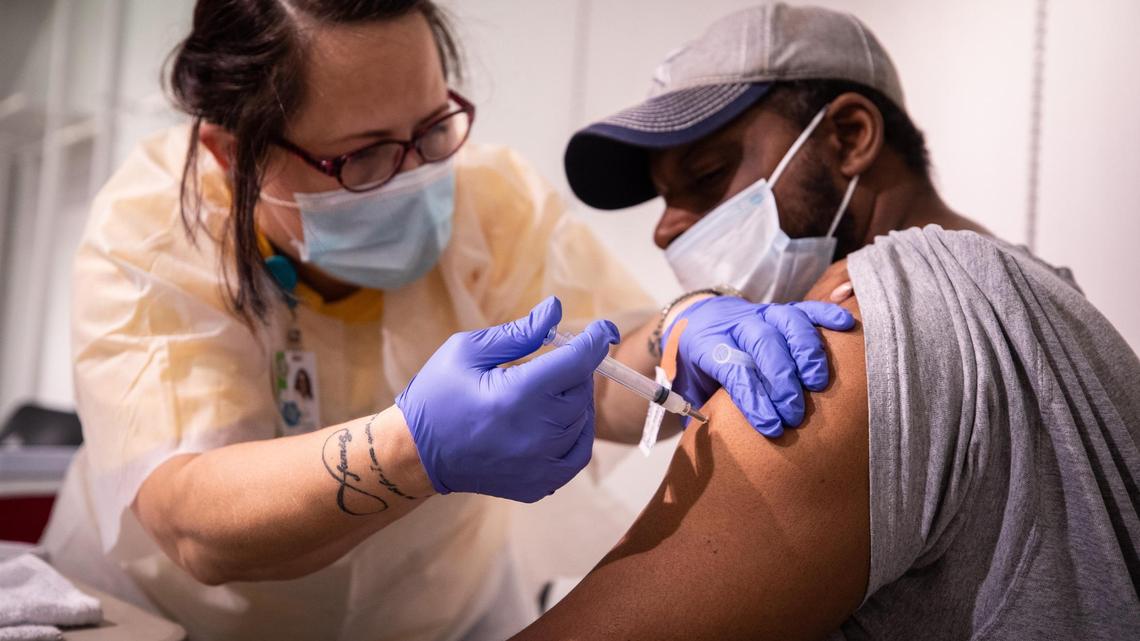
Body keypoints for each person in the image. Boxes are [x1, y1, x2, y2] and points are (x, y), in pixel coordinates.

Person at [41, 2, 852, 640]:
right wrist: (412, 449)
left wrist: (681, 331)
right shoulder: (152, 233)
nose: (419, 177)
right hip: (176, 625)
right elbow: (195, 523)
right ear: (230, 153)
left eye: (433, 129)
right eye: (362, 157)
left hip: (439, 618)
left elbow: (605, 369)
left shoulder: (492, 204)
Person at [513, 3, 1140, 639]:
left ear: (848, 136)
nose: (665, 226)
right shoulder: (1042, 300)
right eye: (664, 197)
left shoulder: (863, 324)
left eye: (704, 175)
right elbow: (610, 381)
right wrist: (678, 320)